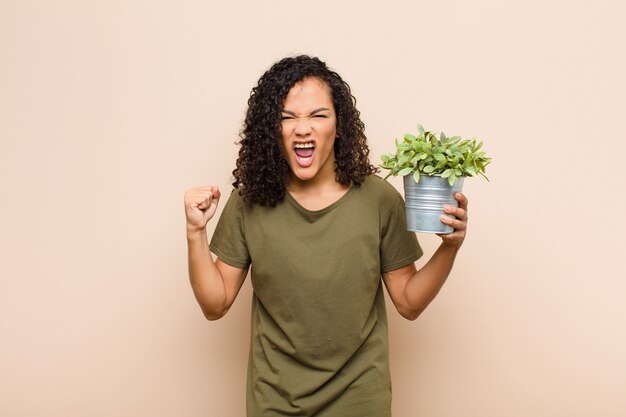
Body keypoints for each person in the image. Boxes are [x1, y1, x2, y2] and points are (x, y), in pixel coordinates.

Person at [184, 55, 468, 417]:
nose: (303, 128)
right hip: (274, 399)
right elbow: (215, 303)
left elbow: (409, 303)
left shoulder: (379, 199)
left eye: (318, 115)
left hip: (360, 396)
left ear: (339, 125)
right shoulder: (248, 201)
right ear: (272, 130)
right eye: (287, 117)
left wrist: (450, 247)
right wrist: (196, 232)